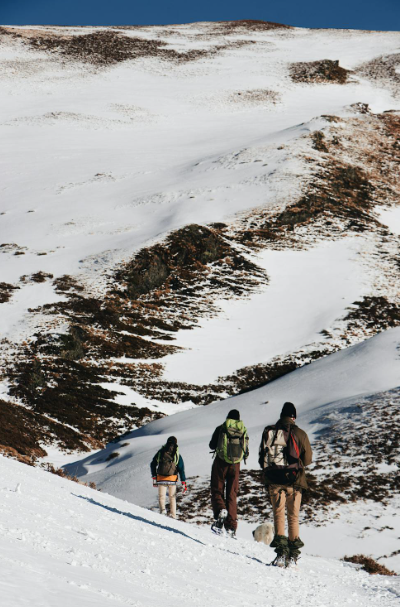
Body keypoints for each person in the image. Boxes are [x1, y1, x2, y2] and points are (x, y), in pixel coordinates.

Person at [259, 402, 312, 567]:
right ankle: (293, 556)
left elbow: (262, 458)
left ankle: (281, 553)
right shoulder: (300, 433)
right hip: (294, 482)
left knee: (279, 515)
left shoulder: (270, 431)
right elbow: (308, 460)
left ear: (281, 415)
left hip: (274, 480)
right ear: (294, 416)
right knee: (293, 517)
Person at [209, 409, 249, 538]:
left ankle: (221, 511)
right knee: (232, 494)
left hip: (220, 462)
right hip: (235, 465)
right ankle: (231, 527)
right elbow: (246, 450)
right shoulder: (243, 429)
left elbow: (211, 445)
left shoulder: (221, 428)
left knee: (217, 489)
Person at [151, 436, 187, 518]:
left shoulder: (161, 452)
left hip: (161, 478)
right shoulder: (177, 454)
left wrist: (154, 476)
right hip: (172, 479)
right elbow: (181, 469)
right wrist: (183, 481)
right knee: (172, 498)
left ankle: (162, 511)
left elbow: (153, 464)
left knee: (161, 497)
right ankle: (173, 515)